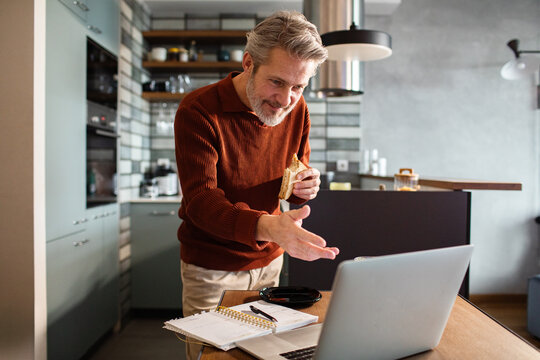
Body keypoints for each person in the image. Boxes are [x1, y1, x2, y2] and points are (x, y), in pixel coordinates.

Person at [174, 10, 340, 324]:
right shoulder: (199, 110)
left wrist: (304, 187)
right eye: (276, 82)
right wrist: (267, 226)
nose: (285, 99)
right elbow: (201, 202)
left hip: (270, 263)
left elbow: (294, 183)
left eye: (298, 87)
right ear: (248, 63)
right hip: (212, 271)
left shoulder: (297, 109)